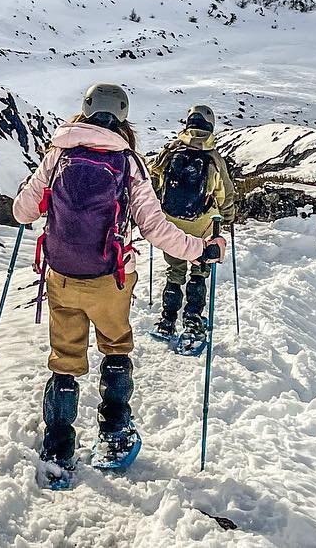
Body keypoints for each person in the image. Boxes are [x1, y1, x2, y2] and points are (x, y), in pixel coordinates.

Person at [13, 83, 226, 479]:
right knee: (115, 350)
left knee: (65, 361)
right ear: (123, 117)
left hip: (61, 276)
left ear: (86, 109)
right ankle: (114, 433)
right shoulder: (128, 163)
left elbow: (22, 211)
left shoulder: (58, 153)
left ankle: (58, 449)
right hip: (111, 277)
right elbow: (155, 228)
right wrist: (200, 249)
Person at [148, 104, 236, 345]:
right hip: (202, 225)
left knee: (175, 270)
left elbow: (154, 180)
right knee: (199, 269)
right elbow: (224, 196)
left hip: (171, 224)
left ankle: (167, 321)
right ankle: (192, 321)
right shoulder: (213, 157)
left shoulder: (170, 150)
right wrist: (227, 217)